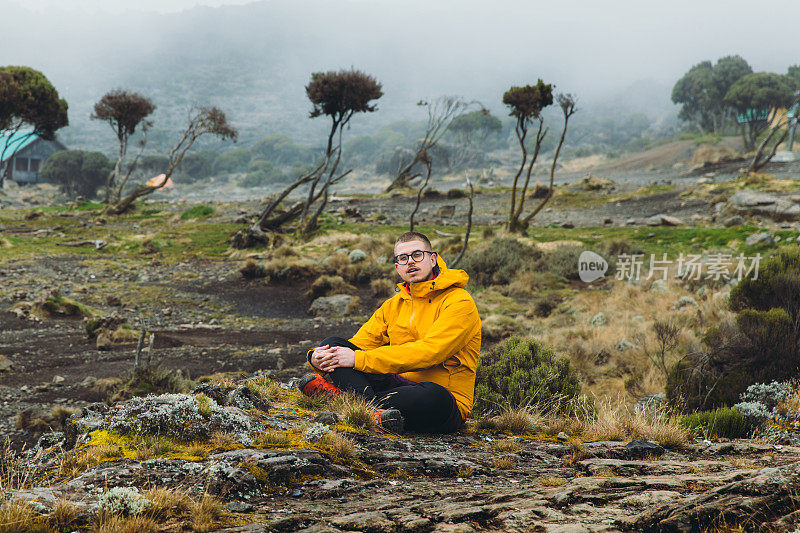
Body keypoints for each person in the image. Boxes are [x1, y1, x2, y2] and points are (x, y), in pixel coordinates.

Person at [297, 231, 481, 434]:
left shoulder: (459, 302)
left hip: (442, 400)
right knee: (334, 343)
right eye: (403, 258)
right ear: (397, 267)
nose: (410, 262)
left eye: (417, 254)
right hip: (394, 387)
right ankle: (372, 412)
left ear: (432, 258)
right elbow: (360, 343)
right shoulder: (393, 305)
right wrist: (316, 357)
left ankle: (346, 400)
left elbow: (430, 353)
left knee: (434, 397)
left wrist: (357, 359)